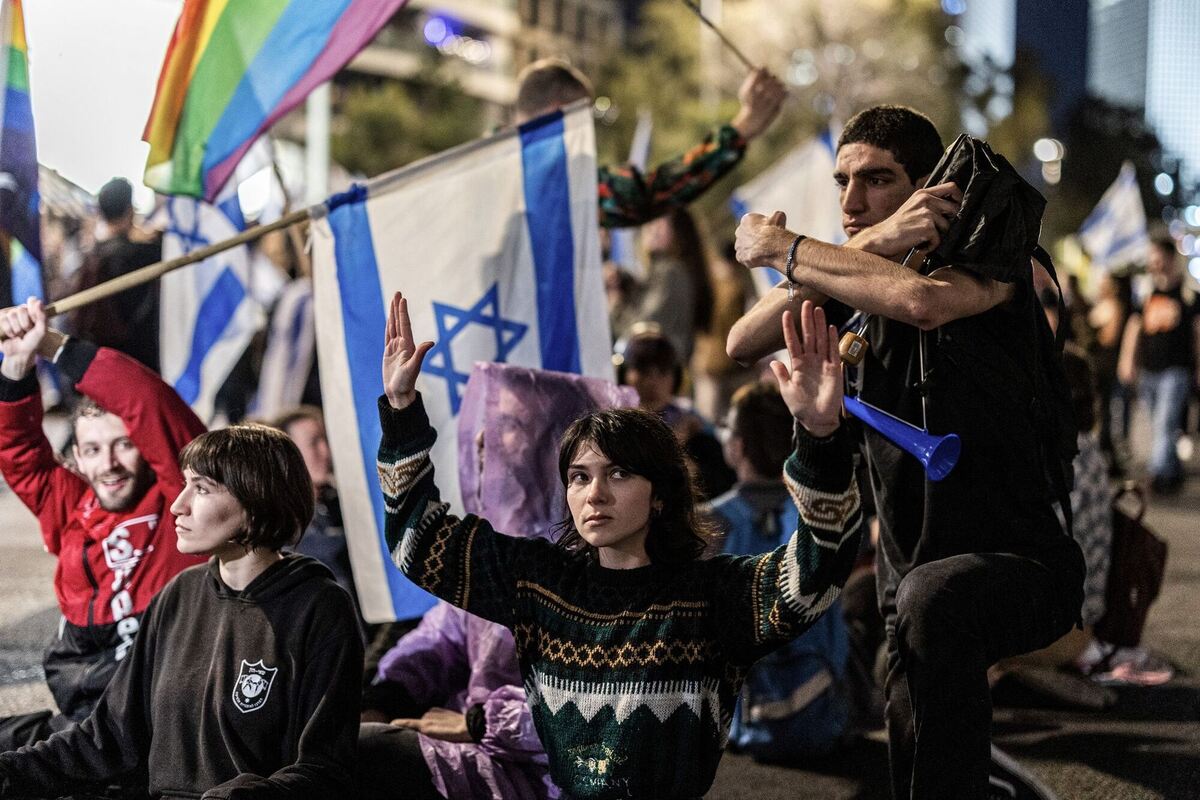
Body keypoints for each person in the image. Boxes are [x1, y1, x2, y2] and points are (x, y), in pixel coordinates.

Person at [374, 291, 862, 799]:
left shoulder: (711, 596)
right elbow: (417, 539)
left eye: (619, 474)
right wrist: (403, 409)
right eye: (579, 477)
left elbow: (817, 571)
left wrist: (819, 434)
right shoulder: (539, 583)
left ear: (659, 497)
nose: (595, 495)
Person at [729, 105, 1084, 799]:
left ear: (931, 190)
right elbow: (744, 341)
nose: (851, 202)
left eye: (877, 180)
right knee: (914, 749)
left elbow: (921, 301)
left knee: (932, 604)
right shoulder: (856, 273)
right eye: (842, 182)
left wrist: (784, 248)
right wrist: (881, 239)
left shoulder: (995, 265)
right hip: (910, 586)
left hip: (1025, 564)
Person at [0, 424, 364, 798]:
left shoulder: (320, 609)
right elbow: (107, 738)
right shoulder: (178, 595)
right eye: (185, 484)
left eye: (202, 489)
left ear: (256, 499)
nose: (178, 503)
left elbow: (325, 771)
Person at [358, 364, 635, 800]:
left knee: (366, 758)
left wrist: (481, 722)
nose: (484, 440)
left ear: (554, 444)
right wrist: (386, 697)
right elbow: (447, 632)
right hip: (492, 749)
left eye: (509, 425)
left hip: (555, 775)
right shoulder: (513, 538)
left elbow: (606, 713)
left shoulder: (604, 554)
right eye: (485, 421)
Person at [0, 298, 205, 750]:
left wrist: (51, 345)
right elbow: (21, 455)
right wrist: (16, 362)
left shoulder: (183, 502)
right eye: (93, 450)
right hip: (83, 714)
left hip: (153, 718)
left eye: (124, 446)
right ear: (75, 457)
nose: (109, 464)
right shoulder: (72, 505)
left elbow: (148, 402)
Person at [709, 381, 851, 761]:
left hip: (738, 714)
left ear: (736, 447)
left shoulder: (707, 524)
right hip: (824, 703)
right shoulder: (820, 515)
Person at [514, 58, 786, 229]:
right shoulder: (551, 181)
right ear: (558, 113)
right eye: (582, 119)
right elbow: (649, 192)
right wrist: (741, 129)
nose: (587, 135)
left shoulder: (482, 170)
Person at [1118, 235, 1199, 496]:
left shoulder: (1188, 295)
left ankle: (1157, 475)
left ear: (1170, 259)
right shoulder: (1146, 293)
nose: (1154, 264)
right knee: (1160, 423)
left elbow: (1198, 334)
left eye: (1158, 258)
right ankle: (1172, 471)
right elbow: (1134, 327)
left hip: (1176, 369)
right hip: (1149, 370)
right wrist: (1127, 360)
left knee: (1165, 421)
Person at [617, 329, 735, 499]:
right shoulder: (613, 425)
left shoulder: (695, 425)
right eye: (643, 372)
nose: (653, 382)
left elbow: (716, 488)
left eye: (662, 372)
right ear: (624, 375)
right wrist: (675, 440)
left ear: (676, 377)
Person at [68, 178, 163, 371]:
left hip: (102, 357)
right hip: (138, 356)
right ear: (129, 211)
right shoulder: (141, 254)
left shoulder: (91, 254)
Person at [609, 207, 715, 363]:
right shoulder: (663, 272)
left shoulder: (670, 272)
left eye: (661, 221)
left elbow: (642, 331)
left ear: (679, 231)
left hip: (658, 370)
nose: (653, 227)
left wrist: (616, 304)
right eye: (649, 221)